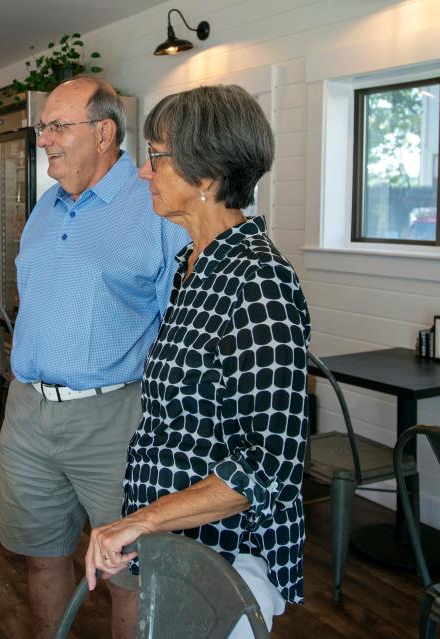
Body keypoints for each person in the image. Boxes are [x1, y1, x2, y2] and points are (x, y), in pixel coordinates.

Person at [84, 84, 310, 637]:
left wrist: (139, 521)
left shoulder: (259, 281)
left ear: (207, 176)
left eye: (156, 156)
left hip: (226, 561)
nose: (143, 172)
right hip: (176, 546)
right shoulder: (194, 262)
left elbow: (267, 464)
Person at [0, 76, 189, 639]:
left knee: (130, 570)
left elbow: (177, 328)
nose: (45, 140)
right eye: (43, 127)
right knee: (41, 554)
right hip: (27, 412)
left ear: (104, 132)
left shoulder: (154, 207)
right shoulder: (46, 206)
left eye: (59, 126)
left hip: (115, 419)